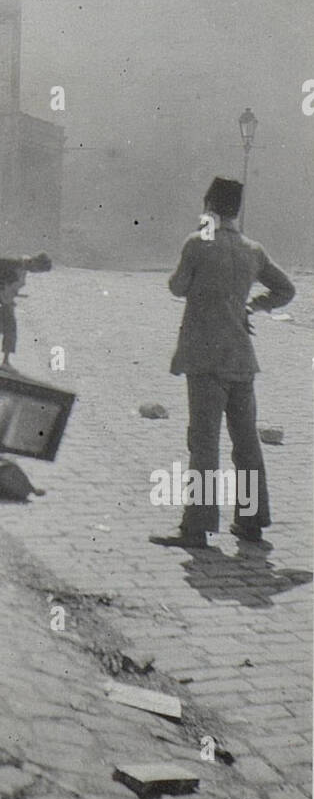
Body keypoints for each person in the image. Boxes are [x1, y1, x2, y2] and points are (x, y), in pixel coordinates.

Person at [166, 176, 295, 547]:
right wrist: (254, 305)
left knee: (204, 443)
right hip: (242, 358)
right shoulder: (253, 249)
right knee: (246, 443)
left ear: (208, 205)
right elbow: (287, 289)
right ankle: (252, 523)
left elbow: (177, 286)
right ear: (236, 210)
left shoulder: (197, 243)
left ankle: (197, 527)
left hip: (205, 358)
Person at [0, 251, 52, 366]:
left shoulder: (24, 268)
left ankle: (6, 360)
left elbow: (11, 285)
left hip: (5, 298)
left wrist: (9, 296)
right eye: (37, 269)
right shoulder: (12, 263)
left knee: (11, 326)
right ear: (34, 262)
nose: (35, 271)